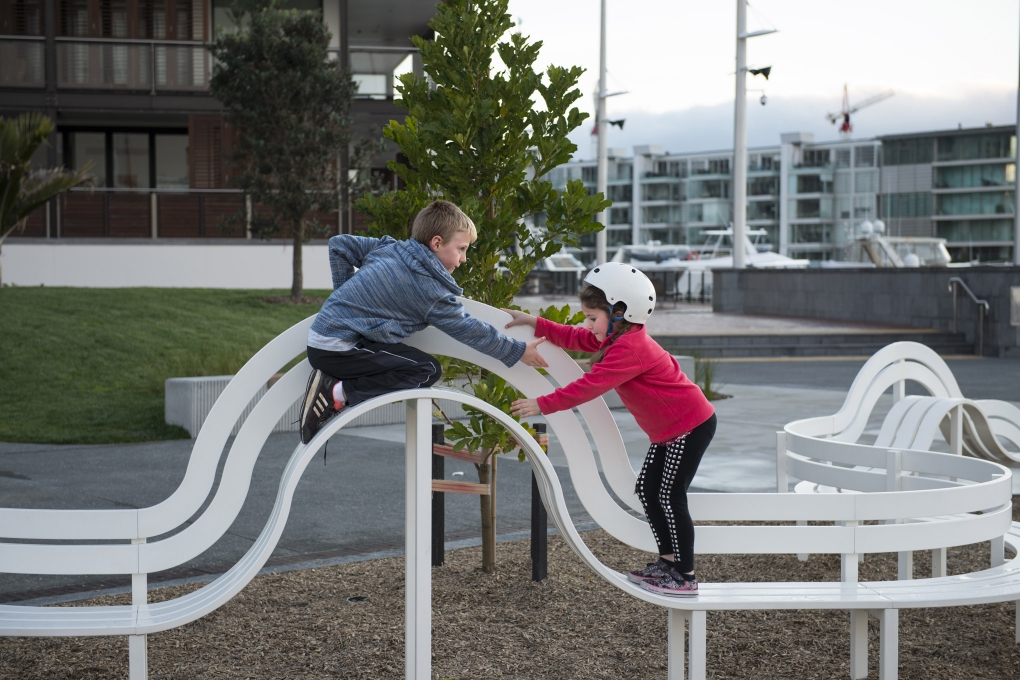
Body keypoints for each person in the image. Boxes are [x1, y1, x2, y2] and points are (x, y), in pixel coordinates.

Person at [505, 263, 715, 597]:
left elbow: (588, 386)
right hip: (671, 431)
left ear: (620, 312)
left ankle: (685, 575)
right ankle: (668, 562)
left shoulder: (630, 348)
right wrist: (533, 322)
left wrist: (542, 404)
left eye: (592, 317)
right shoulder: (620, 337)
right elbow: (578, 338)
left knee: (669, 496)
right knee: (648, 491)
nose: (587, 324)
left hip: (689, 426)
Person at [300, 199, 548, 444]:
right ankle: (338, 392)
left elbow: (340, 245)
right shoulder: (430, 291)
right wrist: (516, 350)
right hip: (337, 349)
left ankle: (338, 390)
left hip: (329, 340)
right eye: (461, 249)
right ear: (437, 243)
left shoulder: (392, 249)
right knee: (426, 369)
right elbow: (469, 330)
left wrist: (345, 298)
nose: (463, 259)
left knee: (419, 365)